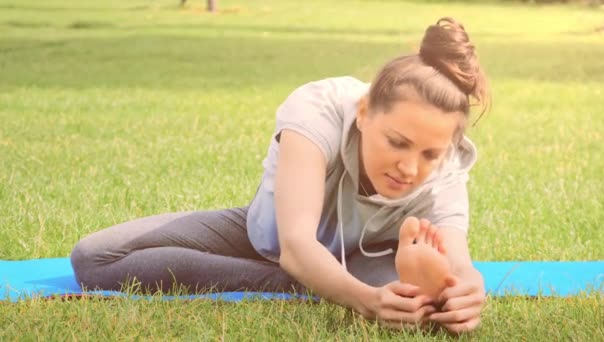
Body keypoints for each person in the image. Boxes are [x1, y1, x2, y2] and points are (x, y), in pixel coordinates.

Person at [71, 17, 490, 333]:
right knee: (94, 258)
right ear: (363, 113)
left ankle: (357, 279)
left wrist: (467, 292)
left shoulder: (448, 162)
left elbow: (459, 260)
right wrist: (363, 299)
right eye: (397, 142)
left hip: (372, 254)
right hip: (266, 236)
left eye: (429, 153)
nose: (409, 168)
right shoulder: (319, 110)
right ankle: (312, 281)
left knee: (427, 305)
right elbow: (295, 244)